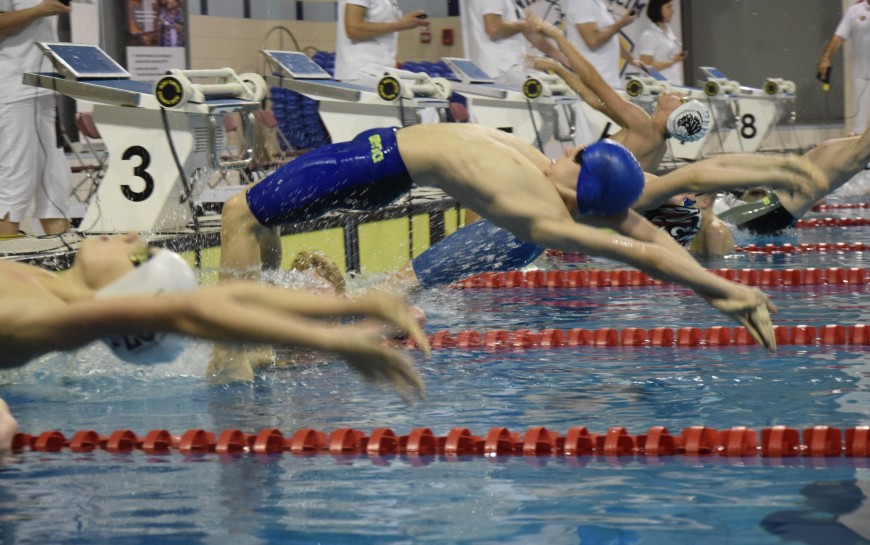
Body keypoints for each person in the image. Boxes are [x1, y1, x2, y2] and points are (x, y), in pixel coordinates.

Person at [218, 122, 802, 353]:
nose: (568, 148)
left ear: (581, 184)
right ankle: (262, 334)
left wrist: (722, 291)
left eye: (578, 154)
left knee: (238, 213)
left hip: (379, 161)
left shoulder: (539, 215)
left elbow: (638, 250)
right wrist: (781, 168)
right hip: (386, 156)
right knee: (260, 220)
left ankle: (231, 351)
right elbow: (677, 191)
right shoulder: (561, 183)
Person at [0, 233, 428, 400]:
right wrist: (354, 306)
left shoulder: (38, 318)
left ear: (123, 293)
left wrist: (334, 339)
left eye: (139, 256)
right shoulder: (46, 284)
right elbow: (229, 294)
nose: (132, 236)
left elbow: (189, 309)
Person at [0, 0, 71, 237]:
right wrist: (39, 10)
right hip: (14, 92)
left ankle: (64, 255)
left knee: (55, 186)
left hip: (44, 90)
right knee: (14, 189)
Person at [459, 0, 567, 88]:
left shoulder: (511, 3)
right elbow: (493, 29)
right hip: (501, 72)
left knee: (557, 87)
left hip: (512, 68)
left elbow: (530, 33)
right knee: (548, 92)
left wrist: (562, 58)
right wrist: (524, 25)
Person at [333, 0, 430, 87]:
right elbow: (353, 29)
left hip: (378, 70)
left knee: (426, 84)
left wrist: (404, 22)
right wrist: (400, 25)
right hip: (361, 71)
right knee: (422, 88)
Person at [817, 1, 870, 135]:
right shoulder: (855, 11)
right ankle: (858, 138)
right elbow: (839, 36)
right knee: (860, 122)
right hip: (862, 73)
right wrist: (826, 58)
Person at [563, 0, 639, 89]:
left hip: (607, 82)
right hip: (593, 84)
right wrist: (621, 23)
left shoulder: (597, 3)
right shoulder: (581, 2)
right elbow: (592, 40)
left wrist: (631, 59)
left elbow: (610, 36)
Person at [637, 0, 686, 85]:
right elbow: (645, 65)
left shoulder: (669, 31)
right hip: (659, 86)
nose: (672, 10)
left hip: (675, 83)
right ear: (658, 9)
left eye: (672, 6)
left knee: (684, 96)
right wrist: (672, 62)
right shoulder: (650, 35)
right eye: (668, 7)